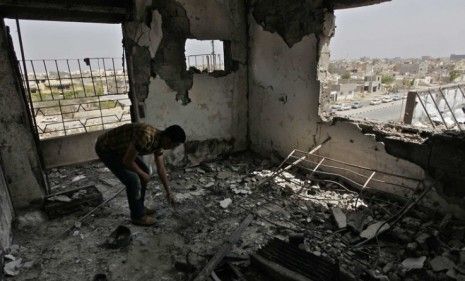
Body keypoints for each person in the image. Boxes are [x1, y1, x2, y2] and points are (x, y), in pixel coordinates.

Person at [95, 123, 186, 226]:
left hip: (120, 149)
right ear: (168, 138)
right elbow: (127, 161)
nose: (171, 147)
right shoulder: (146, 135)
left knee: (145, 171)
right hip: (106, 148)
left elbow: (161, 168)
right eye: (173, 144)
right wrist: (142, 174)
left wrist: (169, 192)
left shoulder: (159, 142)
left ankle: (140, 207)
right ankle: (137, 217)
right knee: (133, 180)